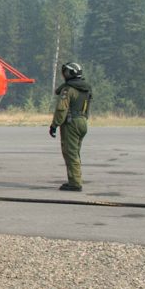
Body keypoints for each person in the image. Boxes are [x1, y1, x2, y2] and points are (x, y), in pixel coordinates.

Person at [49, 62, 91, 192]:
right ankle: (75, 179)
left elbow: (62, 109)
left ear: (68, 73)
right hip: (83, 122)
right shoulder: (86, 88)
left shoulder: (68, 89)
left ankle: (75, 183)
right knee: (75, 153)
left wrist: (54, 125)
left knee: (70, 153)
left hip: (71, 124)